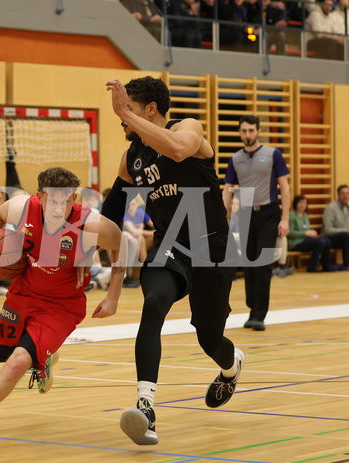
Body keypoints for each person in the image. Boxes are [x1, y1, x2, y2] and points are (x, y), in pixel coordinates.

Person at [0, 167, 124, 450]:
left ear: (75, 199)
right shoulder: (22, 207)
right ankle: (44, 357)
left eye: (67, 200)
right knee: (1, 354)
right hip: (25, 289)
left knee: (18, 362)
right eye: (52, 200)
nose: (60, 208)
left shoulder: (90, 224)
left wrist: (113, 297)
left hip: (61, 306)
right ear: (39, 198)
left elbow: (121, 243)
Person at [100, 76, 245, 446]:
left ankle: (231, 367)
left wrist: (127, 116)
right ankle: (145, 407)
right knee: (154, 304)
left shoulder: (188, 128)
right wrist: (113, 289)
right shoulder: (132, 158)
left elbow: (179, 150)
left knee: (209, 338)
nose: (122, 118)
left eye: (128, 109)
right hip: (170, 245)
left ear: (151, 110)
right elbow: (110, 221)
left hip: (210, 248)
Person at [223, 115, 290, 331]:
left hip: (269, 212)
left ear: (258, 131)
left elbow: (285, 187)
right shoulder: (234, 159)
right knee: (249, 264)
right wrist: (223, 218)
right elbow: (228, 189)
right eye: (244, 131)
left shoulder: (273, 154)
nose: (247, 135)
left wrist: (285, 218)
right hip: (244, 212)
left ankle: (258, 314)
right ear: (240, 133)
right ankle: (253, 304)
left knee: (261, 263)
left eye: (251, 130)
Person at [288, 194, 332, 272]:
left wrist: (311, 234)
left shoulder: (305, 216)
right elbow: (289, 233)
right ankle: (312, 267)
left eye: (304, 203)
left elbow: (306, 230)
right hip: (294, 242)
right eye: (300, 202)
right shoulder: (291, 215)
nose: (302, 205)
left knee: (327, 240)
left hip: (304, 240)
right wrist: (306, 233)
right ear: (295, 204)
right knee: (320, 242)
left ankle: (326, 266)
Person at [121, 197, 155, 288]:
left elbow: (154, 225)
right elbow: (134, 232)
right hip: (129, 246)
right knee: (141, 238)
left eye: (133, 205)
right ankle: (147, 271)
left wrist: (158, 231)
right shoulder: (125, 215)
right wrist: (153, 233)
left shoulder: (140, 212)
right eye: (129, 205)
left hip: (140, 246)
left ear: (137, 205)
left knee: (156, 237)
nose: (131, 207)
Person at [322, 184, 349, 269]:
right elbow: (327, 229)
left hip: (345, 237)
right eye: (343, 193)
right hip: (331, 238)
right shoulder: (331, 208)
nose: (345, 196)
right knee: (346, 236)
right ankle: (347, 265)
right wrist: (342, 230)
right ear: (338, 195)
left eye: (347, 193)